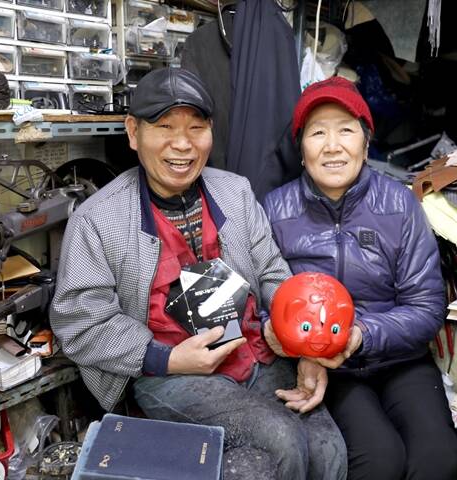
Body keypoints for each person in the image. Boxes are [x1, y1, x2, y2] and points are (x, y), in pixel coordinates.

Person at [50, 67, 347, 480]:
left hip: (253, 352)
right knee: (281, 441)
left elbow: (273, 272)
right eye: (165, 127)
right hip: (169, 371)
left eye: (196, 127)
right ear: (133, 133)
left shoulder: (235, 192)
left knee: (328, 450)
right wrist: (166, 357)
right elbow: (81, 321)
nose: (182, 144)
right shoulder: (98, 219)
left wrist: (298, 340)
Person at [262, 77, 457, 480]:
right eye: (318, 132)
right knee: (379, 460)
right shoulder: (274, 209)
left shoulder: (399, 203)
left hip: (399, 359)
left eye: (346, 130)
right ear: (302, 149)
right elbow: (265, 297)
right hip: (326, 367)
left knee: (438, 462)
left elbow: (426, 307)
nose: (332, 146)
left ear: (366, 144)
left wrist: (359, 335)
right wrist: (296, 342)